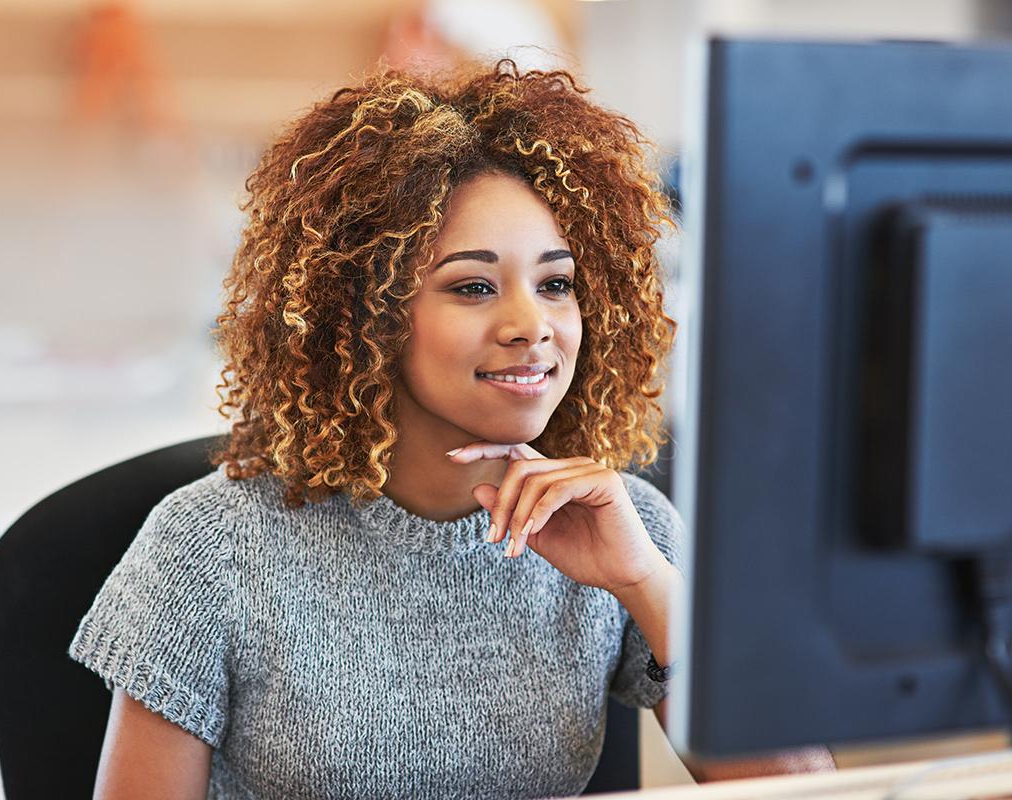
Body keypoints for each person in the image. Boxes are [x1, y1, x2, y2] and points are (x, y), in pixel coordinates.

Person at [68, 60, 834, 799]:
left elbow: (814, 798)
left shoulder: (622, 525)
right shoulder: (210, 548)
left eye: (557, 284)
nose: (531, 326)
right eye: (473, 286)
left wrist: (647, 584)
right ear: (364, 312)